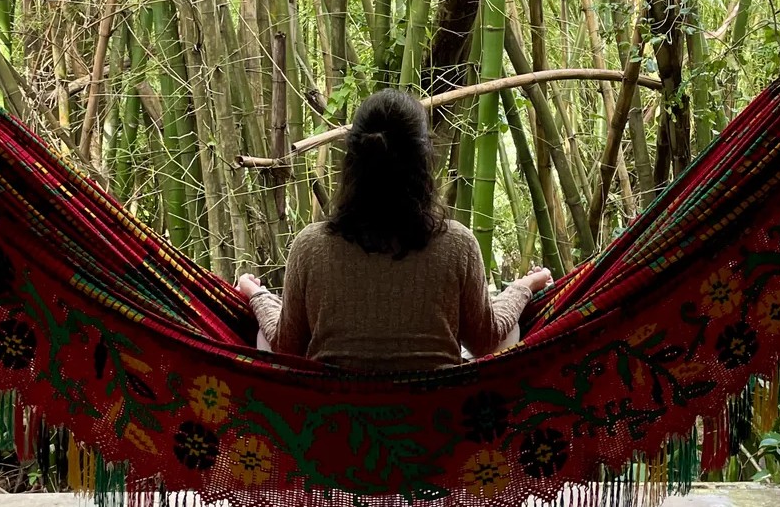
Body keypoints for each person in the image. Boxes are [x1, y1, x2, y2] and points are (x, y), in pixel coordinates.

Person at [237, 88, 553, 373]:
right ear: (424, 161)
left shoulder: (310, 247)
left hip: (334, 428)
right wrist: (523, 288)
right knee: (511, 334)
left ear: (352, 161)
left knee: (266, 346)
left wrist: (257, 295)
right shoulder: (458, 245)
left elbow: (285, 345)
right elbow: (487, 339)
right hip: (437, 426)